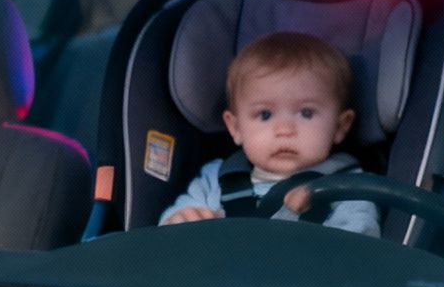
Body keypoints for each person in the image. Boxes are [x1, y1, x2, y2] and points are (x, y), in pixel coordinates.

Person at [160, 31, 381, 235]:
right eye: (265, 115)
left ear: (341, 126)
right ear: (235, 128)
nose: (284, 130)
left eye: (306, 113)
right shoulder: (215, 180)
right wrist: (178, 222)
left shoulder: (348, 186)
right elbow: (171, 225)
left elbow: (361, 238)